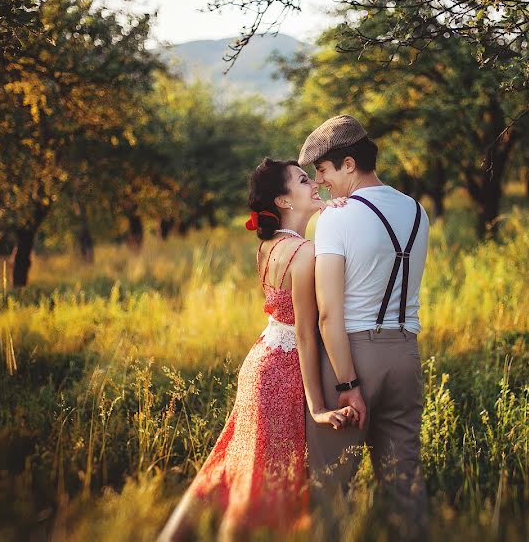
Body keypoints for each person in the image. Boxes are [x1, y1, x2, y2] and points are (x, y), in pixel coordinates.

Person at [157, 158, 357, 542]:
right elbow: (305, 333)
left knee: (233, 465)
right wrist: (317, 407)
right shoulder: (305, 254)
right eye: (303, 180)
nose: (314, 183)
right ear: (283, 200)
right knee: (260, 484)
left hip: (259, 362)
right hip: (281, 373)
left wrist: (329, 208)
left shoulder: (270, 244)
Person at [299, 115, 430, 538]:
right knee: (405, 485)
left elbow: (327, 315)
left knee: (333, 486)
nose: (320, 184)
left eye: (323, 172)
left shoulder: (337, 219)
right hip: (406, 353)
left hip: (353, 354)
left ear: (349, 164)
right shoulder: (417, 210)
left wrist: (347, 382)